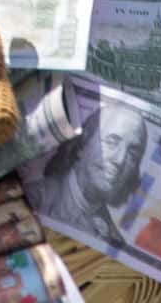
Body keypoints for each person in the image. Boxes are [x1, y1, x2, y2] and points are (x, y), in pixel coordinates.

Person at [31, 98, 149, 244]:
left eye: (132, 154)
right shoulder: (34, 199)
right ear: (84, 143)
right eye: (112, 142)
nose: (119, 160)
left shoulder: (115, 242)